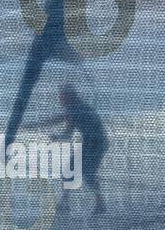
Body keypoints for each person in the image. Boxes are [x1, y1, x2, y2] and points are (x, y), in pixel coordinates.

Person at [25, 83, 109, 215]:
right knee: (72, 171)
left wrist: (55, 137)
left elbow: (67, 133)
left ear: (68, 96)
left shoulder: (75, 109)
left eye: (62, 94)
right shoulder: (77, 106)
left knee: (86, 173)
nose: (59, 97)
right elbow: (58, 119)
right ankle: (68, 203)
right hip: (96, 143)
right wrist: (33, 125)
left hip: (94, 144)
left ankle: (99, 205)